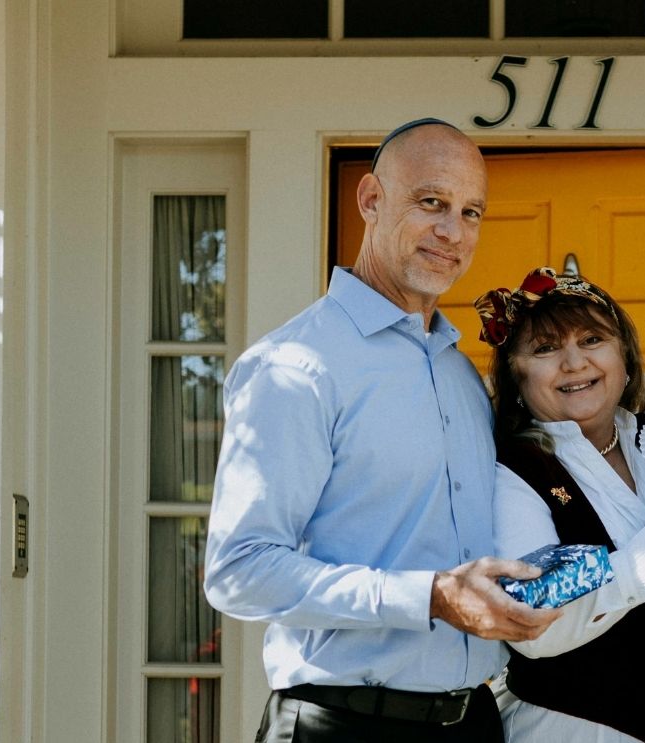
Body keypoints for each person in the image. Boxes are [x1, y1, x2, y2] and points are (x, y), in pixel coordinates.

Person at [203, 118, 561, 742]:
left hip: (472, 720)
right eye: (432, 203)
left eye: (472, 211)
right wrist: (429, 596)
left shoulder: (460, 374)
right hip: (343, 724)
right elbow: (240, 570)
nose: (453, 232)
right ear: (370, 199)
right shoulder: (296, 366)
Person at [474, 267, 645, 743]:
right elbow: (536, 622)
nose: (573, 362)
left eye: (593, 339)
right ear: (517, 376)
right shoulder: (512, 473)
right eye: (546, 349)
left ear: (626, 359)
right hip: (570, 729)